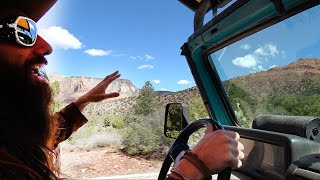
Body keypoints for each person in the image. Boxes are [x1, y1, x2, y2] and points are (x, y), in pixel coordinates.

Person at [0, 0, 244, 179]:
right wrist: (194, 167)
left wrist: (82, 101)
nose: (46, 46)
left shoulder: (12, 143)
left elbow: (46, 136)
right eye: (22, 30)